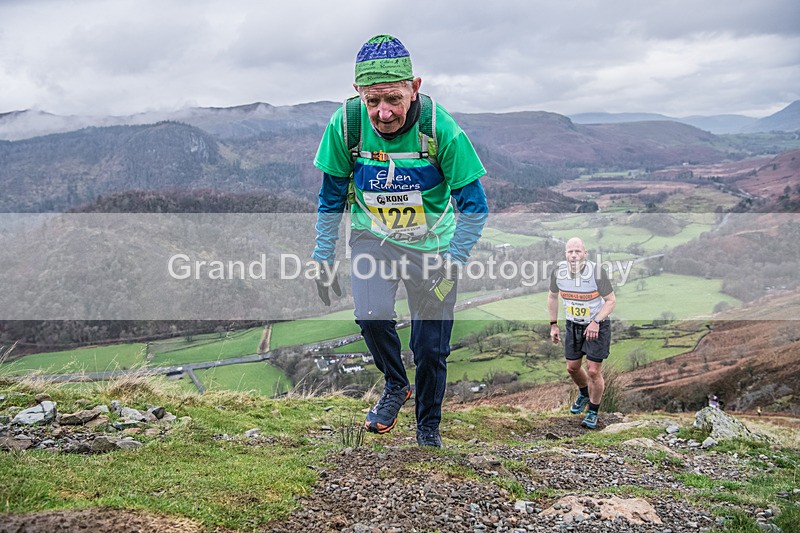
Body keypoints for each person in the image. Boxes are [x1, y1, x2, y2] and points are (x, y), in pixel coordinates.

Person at [311, 35, 489, 447]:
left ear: (415, 87)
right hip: (374, 237)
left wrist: (453, 261)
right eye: (372, 102)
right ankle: (395, 384)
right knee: (370, 313)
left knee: (430, 349)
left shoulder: (440, 129)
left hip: (434, 248)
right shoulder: (346, 124)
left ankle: (428, 429)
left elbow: (474, 206)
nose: (383, 113)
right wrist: (322, 255)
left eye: (393, 99)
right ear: (358, 94)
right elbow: (331, 196)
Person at [548, 237, 616, 429]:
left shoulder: (596, 273)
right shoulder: (558, 272)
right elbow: (552, 297)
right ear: (565, 254)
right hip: (573, 325)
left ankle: (593, 412)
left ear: (585, 253)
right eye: (570, 251)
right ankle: (584, 393)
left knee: (594, 371)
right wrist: (553, 324)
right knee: (572, 368)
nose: (574, 255)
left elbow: (611, 301)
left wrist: (596, 322)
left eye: (578, 251)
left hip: (596, 325)